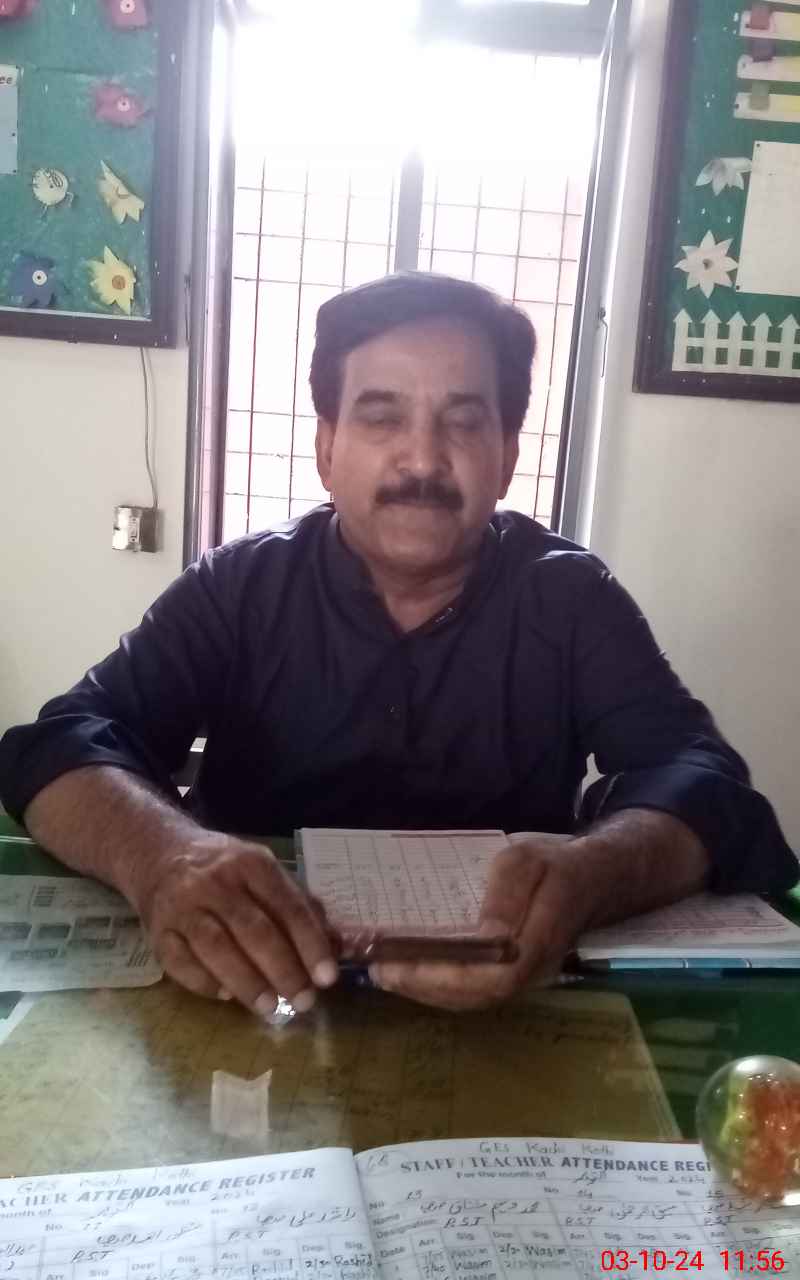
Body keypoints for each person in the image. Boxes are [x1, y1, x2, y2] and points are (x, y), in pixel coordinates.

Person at [0, 274, 796, 1019]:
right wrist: (166, 857)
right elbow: (60, 743)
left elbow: (705, 782)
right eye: (382, 417)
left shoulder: (570, 598)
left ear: (507, 457)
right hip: (247, 1006)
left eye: (464, 421)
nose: (422, 459)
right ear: (327, 448)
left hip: (509, 1020)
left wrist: (595, 872)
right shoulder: (239, 588)